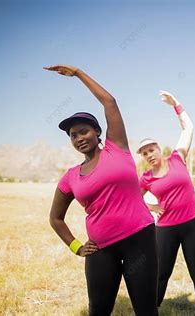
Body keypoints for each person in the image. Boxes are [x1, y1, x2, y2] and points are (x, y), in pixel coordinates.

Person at [46, 65, 158, 316]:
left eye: (83, 131)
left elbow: (110, 102)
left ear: (97, 132)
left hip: (139, 240)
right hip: (100, 249)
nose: (78, 138)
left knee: (146, 310)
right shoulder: (70, 177)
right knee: (98, 310)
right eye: (73, 136)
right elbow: (55, 218)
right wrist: (75, 246)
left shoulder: (116, 148)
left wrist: (77, 73)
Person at [137, 91, 195, 315]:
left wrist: (176, 105)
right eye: (144, 153)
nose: (149, 155)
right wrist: (151, 207)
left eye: (151, 150)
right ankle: (152, 311)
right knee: (161, 274)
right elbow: (132, 200)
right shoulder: (146, 179)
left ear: (159, 149)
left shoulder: (177, 158)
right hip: (166, 230)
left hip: (194, 225)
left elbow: (188, 129)